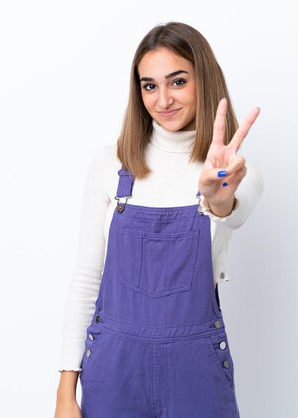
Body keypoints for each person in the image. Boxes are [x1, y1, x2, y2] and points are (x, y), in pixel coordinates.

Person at [54, 21, 264, 418]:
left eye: (178, 81)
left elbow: (232, 212)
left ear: (205, 79)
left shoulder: (236, 173)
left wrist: (217, 197)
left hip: (195, 373)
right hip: (114, 373)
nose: (163, 99)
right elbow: (86, 277)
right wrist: (66, 391)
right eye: (149, 85)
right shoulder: (112, 163)